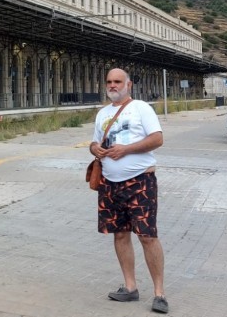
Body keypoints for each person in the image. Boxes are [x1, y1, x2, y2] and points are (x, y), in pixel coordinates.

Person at [90, 68, 169, 314]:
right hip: (110, 184)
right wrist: (96, 150)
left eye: (117, 81)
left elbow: (157, 139)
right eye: (109, 82)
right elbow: (93, 142)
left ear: (128, 84)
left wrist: (126, 149)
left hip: (140, 182)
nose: (112, 85)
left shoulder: (141, 108)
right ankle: (130, 287)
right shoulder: (102, 113)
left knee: (147, 236)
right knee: (120, 235)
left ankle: (159, 293)